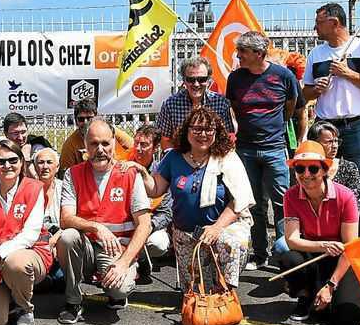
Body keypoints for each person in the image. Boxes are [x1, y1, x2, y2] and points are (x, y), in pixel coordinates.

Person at [136, 107, 254, 293]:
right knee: (194, 293)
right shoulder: (173, 157)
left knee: (220, 285)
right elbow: (156, 189)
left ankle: (224, 295)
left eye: (209, 129)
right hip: (185, 235)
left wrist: (216, 228)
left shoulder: (227, 158)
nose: (203, 134)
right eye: (197, 129)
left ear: (216, 132)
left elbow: (239, 201)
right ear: (187, 131)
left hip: (219, 231)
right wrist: (142, 173)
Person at [56, 119, 152, 324]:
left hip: (116, 249)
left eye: (105, 143)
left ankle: (117, 288)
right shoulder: (73, 173)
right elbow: (65, 219)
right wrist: (96, 227)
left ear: (114, 143)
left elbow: (145, 224)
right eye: (93, 143)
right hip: (86, 247)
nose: (100, 149)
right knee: (67, 237)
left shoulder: (130, 174)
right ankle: (73, 301)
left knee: (119, 289)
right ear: (85, 145)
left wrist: (123, 263)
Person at [303, 2, 360, 235]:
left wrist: (348, 73)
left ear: (334, 22)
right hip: (324, 127)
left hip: (355, 126)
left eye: (319, 23)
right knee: (320, 183)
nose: (315, 28)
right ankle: (325, 236)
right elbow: (305, 93)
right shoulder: (316, 54)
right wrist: (316, 89)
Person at [226, 31, 303, 270]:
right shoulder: (235, 78)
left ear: (258, 54)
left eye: (243, 52)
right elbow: (233, 107)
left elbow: (292, 107)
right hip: (246, 150)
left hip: (275, 149)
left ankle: (283, 253)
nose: (238, 56)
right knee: (254, 203)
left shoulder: (284, 76)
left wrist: (280, 130)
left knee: (282, 202)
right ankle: (259, 254)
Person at [277, 141, 360, 325]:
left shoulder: (346, 196)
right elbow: (292, 240)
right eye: (300, 169)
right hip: (314, 255)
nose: (306, 174)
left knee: (348, 319)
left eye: (313, 168)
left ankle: (350, 297)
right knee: (289, 258)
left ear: (325, 170)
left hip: (341, 258)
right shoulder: (290, 196)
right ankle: (305, 296)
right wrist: (324, 245)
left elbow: (350, 247)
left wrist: (331, 285)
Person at [0, 140, 53, 325]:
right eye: (1, 161)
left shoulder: (34, 188)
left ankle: (24, 308)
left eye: (13, 160)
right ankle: (10, 295)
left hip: (27, 257)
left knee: (16, 263)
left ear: (22, 163)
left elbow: (29, 235)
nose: (7, 165)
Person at [156, 56, 235, 150]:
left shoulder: (221, 103)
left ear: (208, 80)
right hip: (180, 155)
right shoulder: (170, 105)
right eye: (191, 80)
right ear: (184, 80)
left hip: (213, 155)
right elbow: (165, 141)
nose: (196, 84)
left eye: (201, 79)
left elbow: (227, 137)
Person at [128, 123, 173, 283]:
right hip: (126, 224)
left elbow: (166, 213)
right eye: (136, 143)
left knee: (158, 243)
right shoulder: (125, 166)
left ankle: (140, 259)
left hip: (150, 226)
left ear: (155, 148)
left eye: (144, 145)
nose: (138, 148)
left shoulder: (162, 173)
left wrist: (148, 227)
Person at [59, 99, 134, 173]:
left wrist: (129, 163)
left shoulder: (110, 131)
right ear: (76, 121)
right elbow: (65, 173)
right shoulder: (70, 144)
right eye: (81, 119)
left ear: (96, 118)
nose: (85, 122)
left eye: (89, 118)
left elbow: (134, 147)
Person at [32, 146, 66, 292]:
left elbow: (72, 220)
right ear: (35, 167)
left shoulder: (65, 188)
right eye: (40, 162)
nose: (45, 166)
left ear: (57, 167)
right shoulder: (28, 189)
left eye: (49, 162)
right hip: (37, 245)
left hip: (60, 244)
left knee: (61, 281)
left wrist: (55, 240)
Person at [1, 112, 53, 178]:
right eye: (15, 133)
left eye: (23, 132)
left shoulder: (37, 148)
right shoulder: (1, 149)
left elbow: (43, 180)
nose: (20, 137)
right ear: (6, 134)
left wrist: (27, 161)